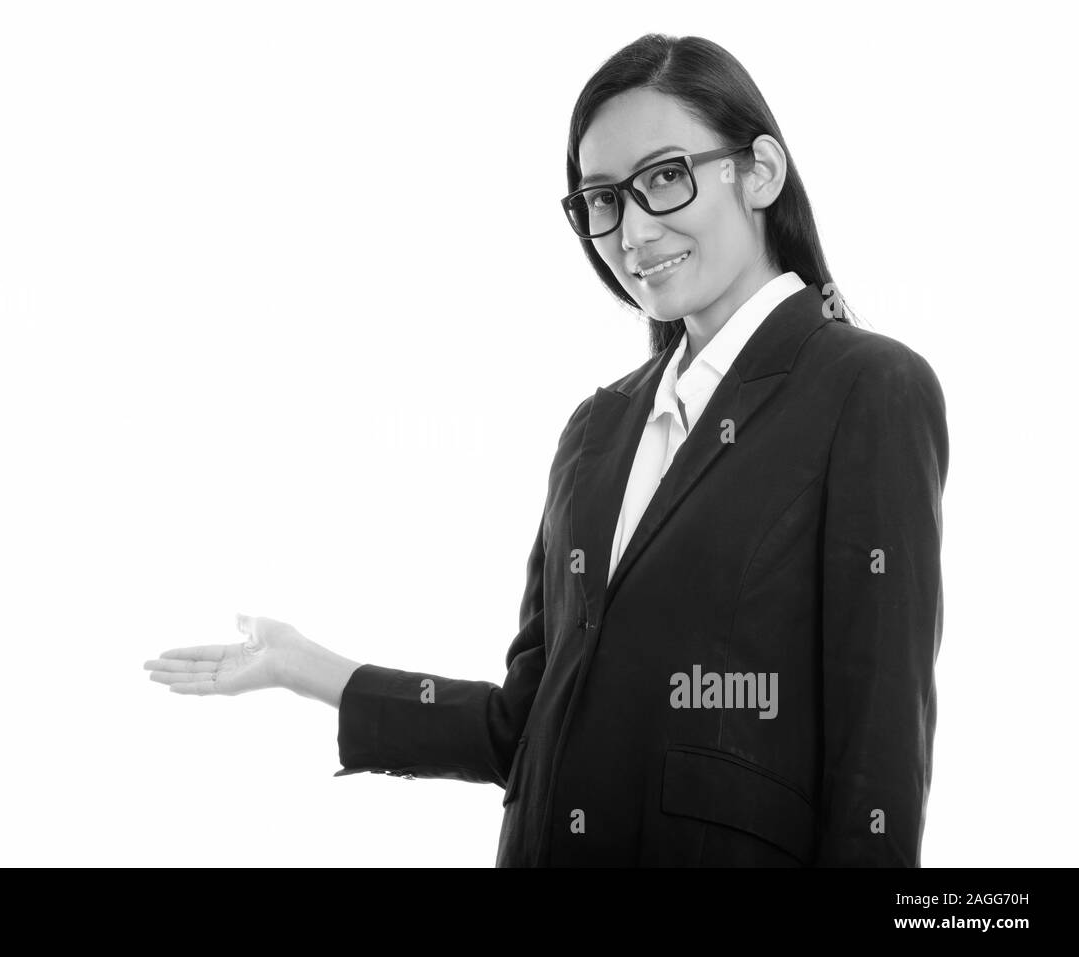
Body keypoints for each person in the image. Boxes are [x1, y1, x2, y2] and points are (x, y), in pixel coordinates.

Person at [143, 33, 949, 867]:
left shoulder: (867, 389)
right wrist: (307, 666)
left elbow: (877, 760)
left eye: (665, 177)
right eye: (601, 198)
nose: (631, 231)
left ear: (760, 172)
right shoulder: (598, 430)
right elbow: (524, 723)